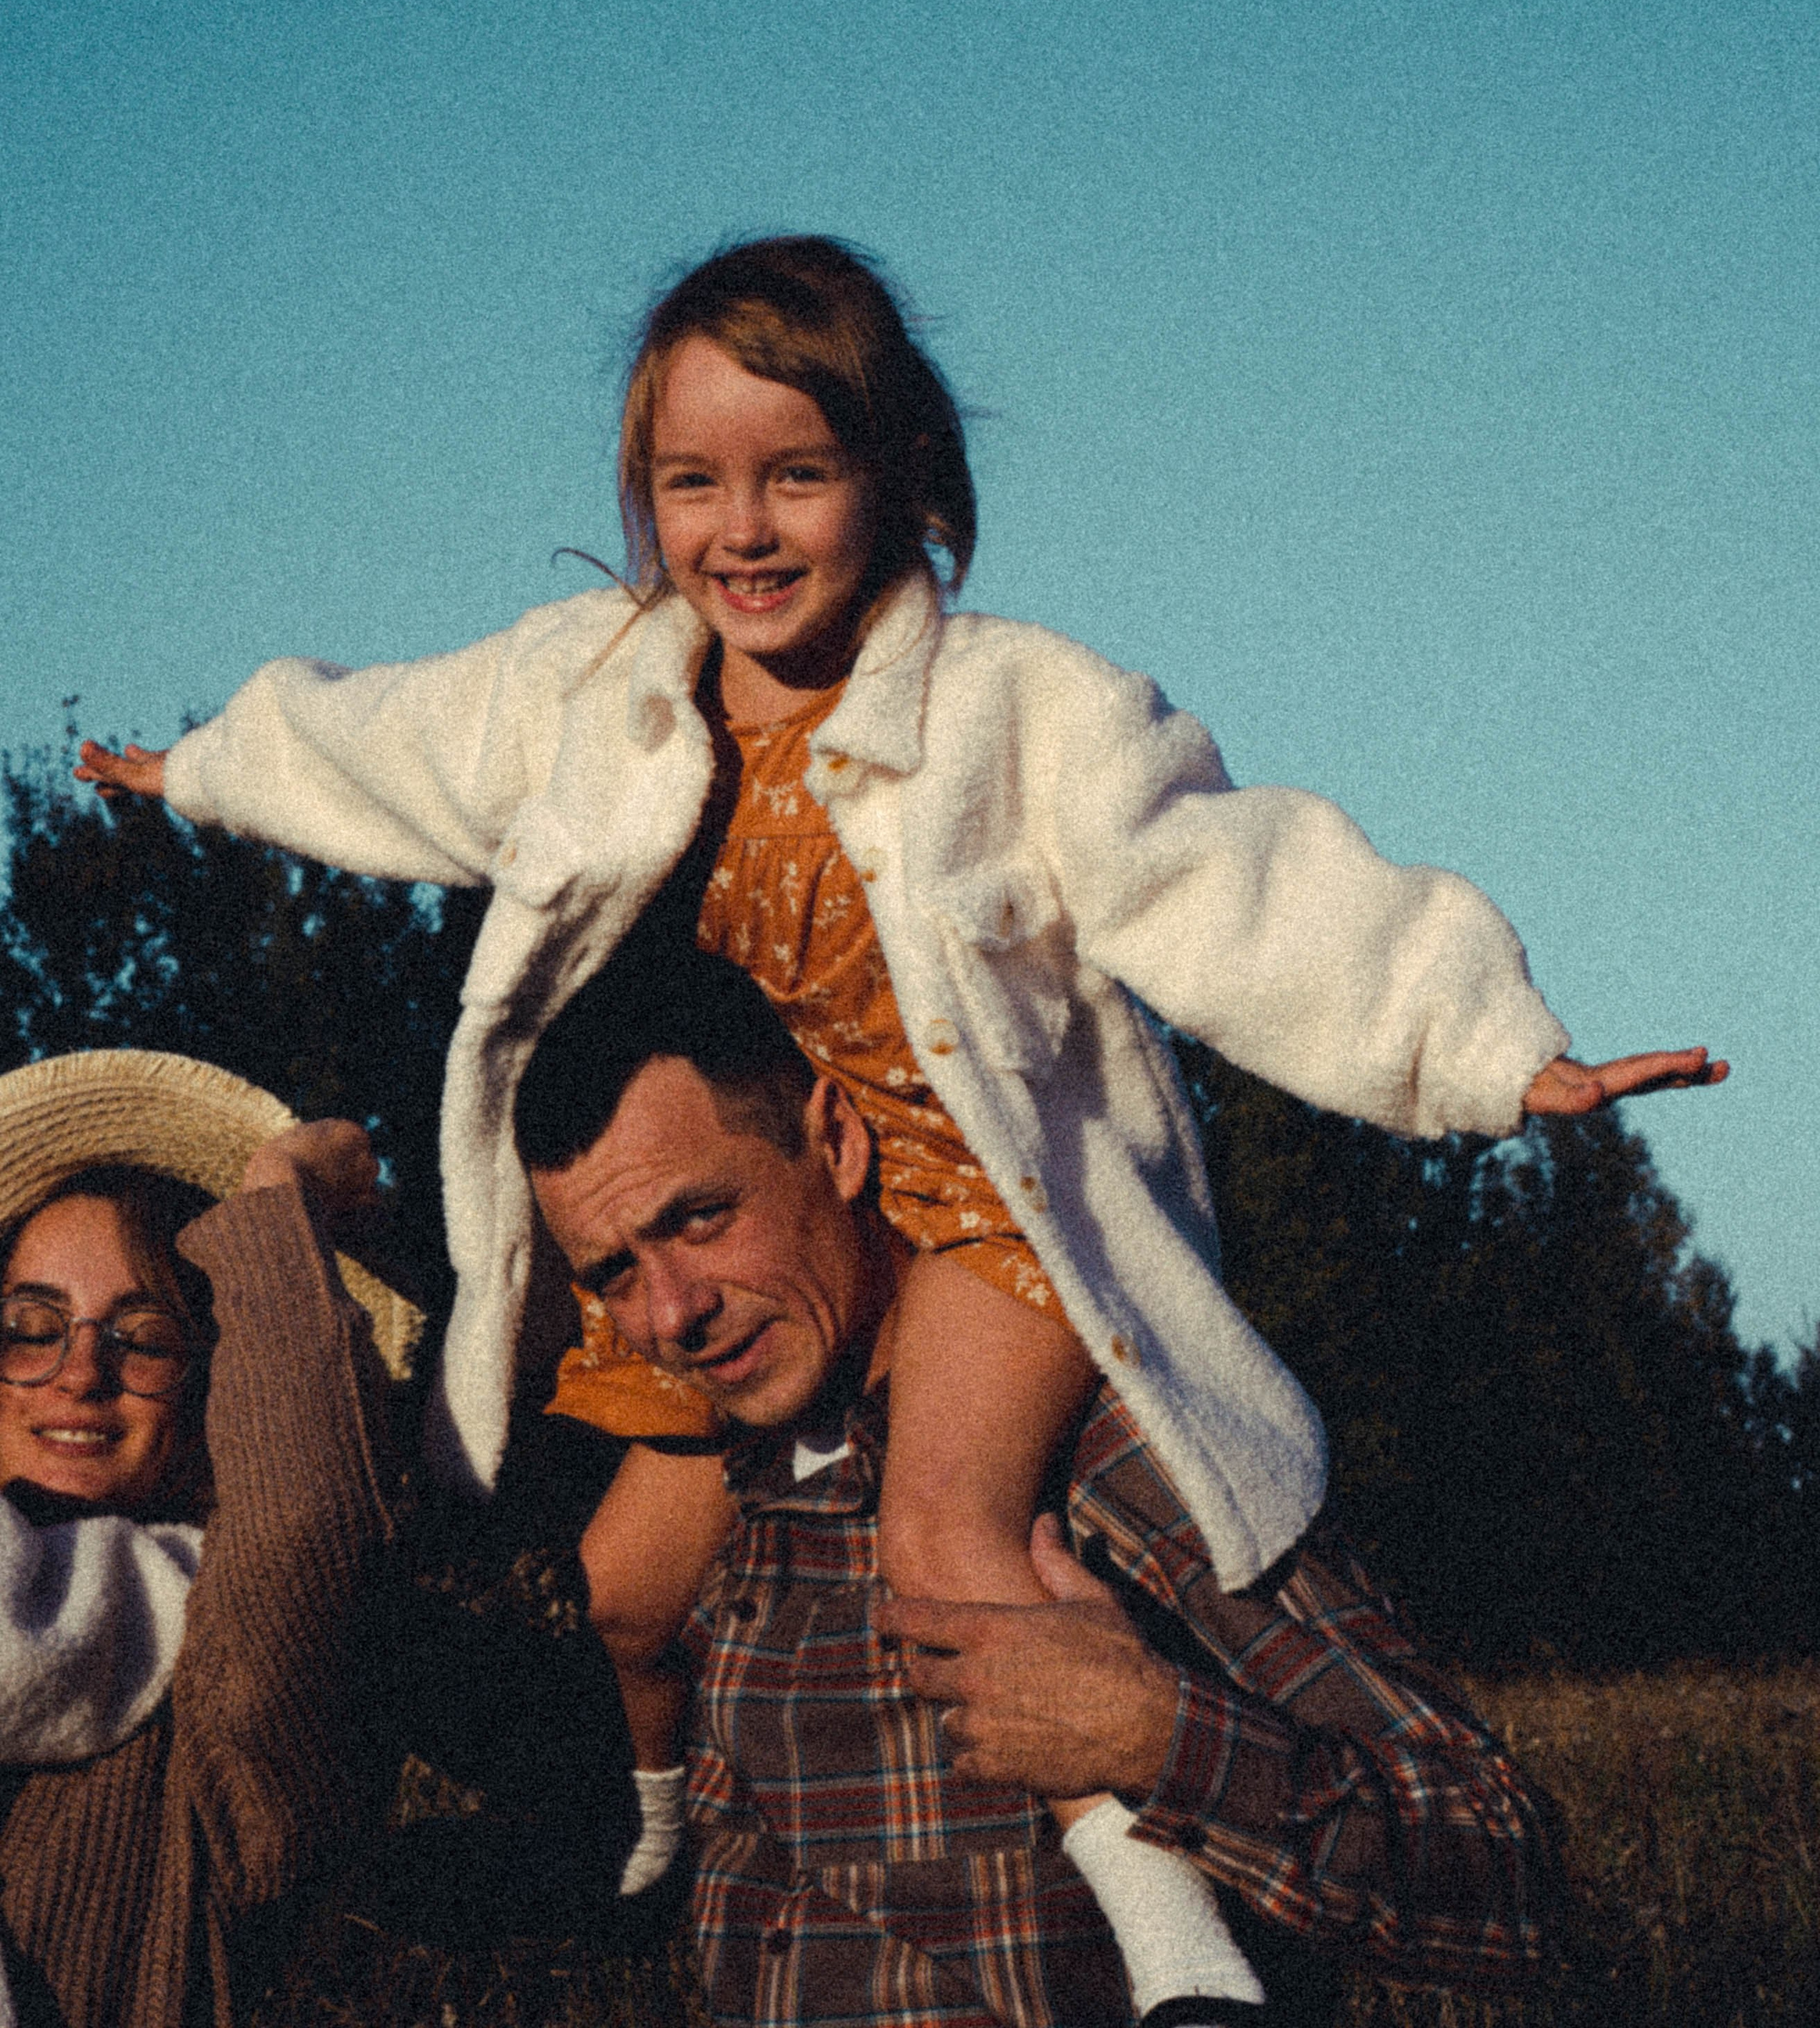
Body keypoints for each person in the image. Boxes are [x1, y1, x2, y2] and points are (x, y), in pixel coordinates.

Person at [76, 234, 1717, 2000]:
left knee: (951, 1540)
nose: (744, 529)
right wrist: (217, 770)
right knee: (631, 1586)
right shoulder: (601, 695)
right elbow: (396, 741)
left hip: (976, 1218)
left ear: (903, 481)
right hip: (762, 1198)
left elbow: (1223, 883)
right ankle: (657, 1831)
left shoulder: (1014, 715)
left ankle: (1173, 1946)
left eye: (798, 474)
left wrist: (1470, 1047)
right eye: (691, 483)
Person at [517, 948, 1563, 2028]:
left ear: (835, 1141)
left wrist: (1156, 1734)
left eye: (701, 1220)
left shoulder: (1101, 1452)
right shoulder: (724, 1505)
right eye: (615, 1274)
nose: (674, 1312)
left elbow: (1508, 1874)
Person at [0, 1048, 407, 2028]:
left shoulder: (207, 1667)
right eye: (28, 1324)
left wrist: (277, 1198)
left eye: (143, 1339)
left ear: (217, 1385)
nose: (79, 1373)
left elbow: (304, 1527)